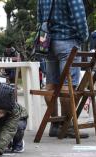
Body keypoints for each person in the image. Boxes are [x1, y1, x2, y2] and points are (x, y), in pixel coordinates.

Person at [37, 0, 89, 138]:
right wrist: (83, 38)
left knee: (51, 84)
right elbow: (80, 18)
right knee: (68, 84)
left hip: (48, 43)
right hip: (67, 41)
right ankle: (67, 126)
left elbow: (40, 18)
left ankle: (54, 124)